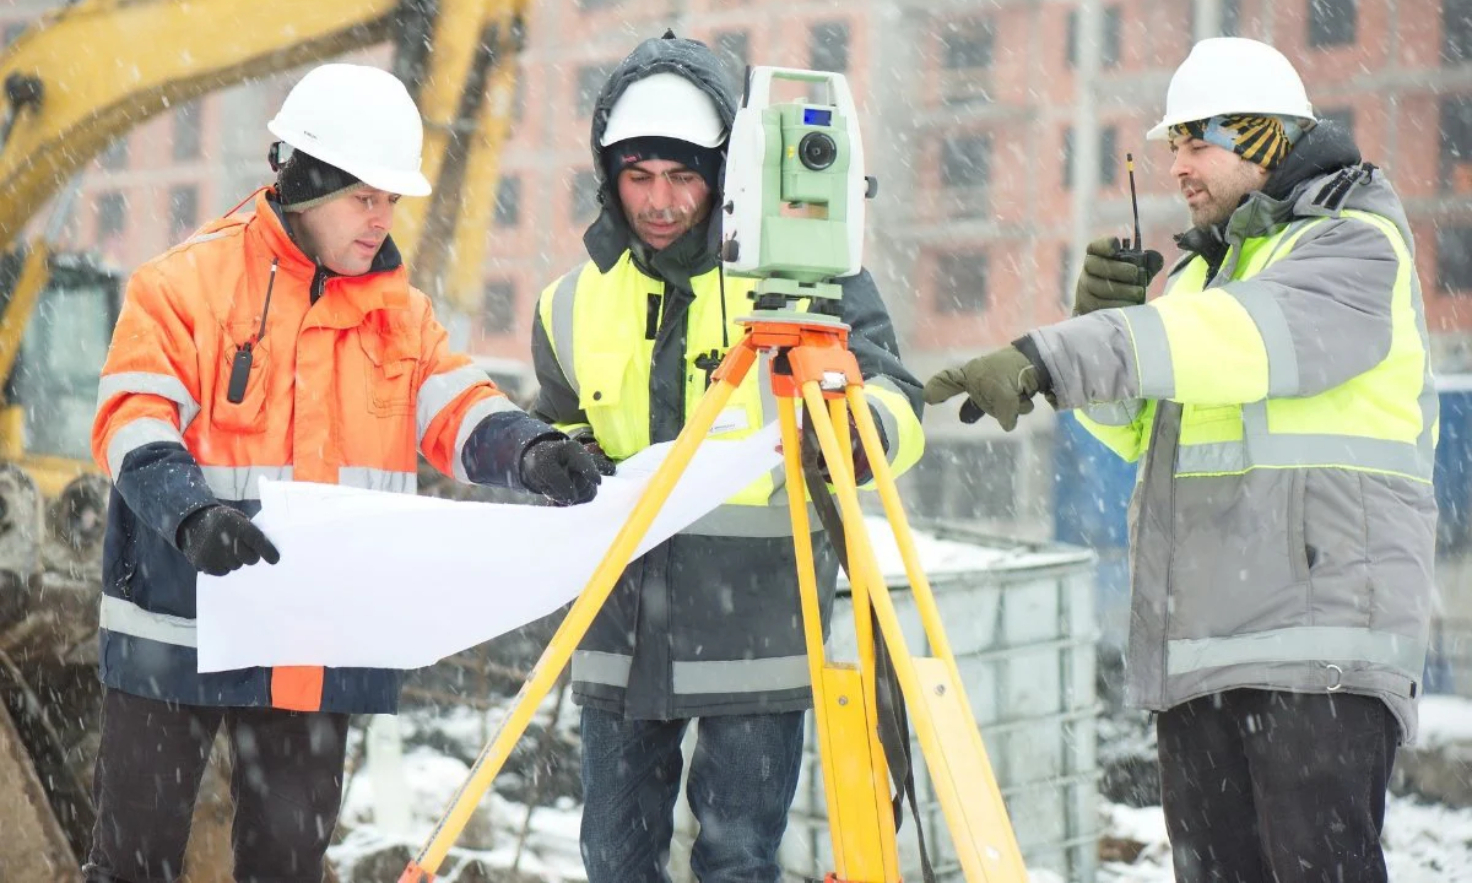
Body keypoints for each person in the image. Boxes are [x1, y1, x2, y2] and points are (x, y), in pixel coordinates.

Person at [924, 37, 1435, 883]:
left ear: (1264, 137)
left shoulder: (1353, 246)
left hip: (1318, 649)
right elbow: (1140, 433)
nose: (1178, 167)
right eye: (1173, 148)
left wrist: (1064, 351)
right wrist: (1098, 342)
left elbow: (1242, 340)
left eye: (1198, 142)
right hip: (1204, 653)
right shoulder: (1207, 277)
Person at [85, 63, 603, 883]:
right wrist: (190, 514)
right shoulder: (181, 285)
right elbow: (132, 419)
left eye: (391, 200)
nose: (382, 218)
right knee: (132, 865)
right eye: (366, 197)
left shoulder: (400, 314)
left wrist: (532, 450)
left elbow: (459, 410)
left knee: (289, 865)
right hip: (176, 621)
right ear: (305, 183)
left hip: (310, 634)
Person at [529, 32, 926, 883]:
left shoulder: (808, 274)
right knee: (613, 857)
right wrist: (555, 460)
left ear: (726, 168)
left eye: (683, 176)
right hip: (620, 619)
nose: (661, 200)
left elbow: (898, 393)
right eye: (640, 177)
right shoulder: (568, 302)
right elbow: (559, 423)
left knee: (738, 857)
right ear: (609, 177)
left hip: (762, 616)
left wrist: (864, 438)